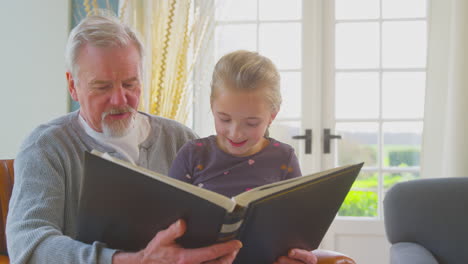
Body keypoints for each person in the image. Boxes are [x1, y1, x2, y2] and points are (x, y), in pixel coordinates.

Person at [6, 13, 316, 264]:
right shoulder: (46, 148)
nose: (120, 99)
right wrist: (129, 260)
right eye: (102, 87)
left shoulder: (181, 140)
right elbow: (29, 244)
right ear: (72, 86)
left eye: (130, 83)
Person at [169, 50, 318, 263]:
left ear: (272, 115)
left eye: (251, 123)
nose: (235, 133)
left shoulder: (283, 158)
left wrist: (298, 255)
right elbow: (167, 228)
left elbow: (298, 230)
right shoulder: (193, 154)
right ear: (212, 106)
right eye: (224, 119)